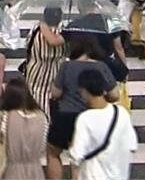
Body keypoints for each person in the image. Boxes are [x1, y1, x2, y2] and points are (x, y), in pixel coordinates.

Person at [47, 36, 118, 180]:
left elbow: (56, 93)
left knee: (52, 153)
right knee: (81, 159)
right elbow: (114, 95)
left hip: (66, 115)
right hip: (93, 117)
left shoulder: (67, 66)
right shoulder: (101, 67)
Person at [68, 69, 138, 180]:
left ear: (84, 91)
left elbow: (76, 155)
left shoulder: (85, 119)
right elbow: (132, 145)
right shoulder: (121, 112)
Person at [0, 78, 46, 180]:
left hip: (12, 170)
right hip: (36, 171)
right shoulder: (42, 117)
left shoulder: (4, 117)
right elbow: (43, 147)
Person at [20, 7, 66, 119]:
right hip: (56, 69)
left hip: (36, 68)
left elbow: (27, 45)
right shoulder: (63, 34)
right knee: (50, 97)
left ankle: (34, 119)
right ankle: (47, 120)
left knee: (35, 94)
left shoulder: (36, 31)